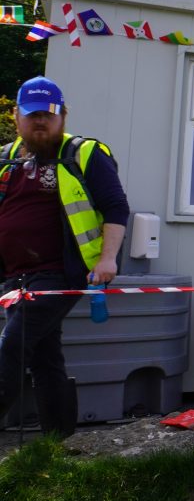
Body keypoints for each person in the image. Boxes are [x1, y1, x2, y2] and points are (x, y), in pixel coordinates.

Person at [0, 77, 129, 437]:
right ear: (17, 116)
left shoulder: (84, 153)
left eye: (49, 114)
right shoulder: (6, 158)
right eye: (32, 115)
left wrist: (108, 259)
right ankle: (57, 444)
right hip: (14, 276)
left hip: (60, 274)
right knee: (45, 356)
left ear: (63, 116)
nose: (41, 121)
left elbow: (116, 208)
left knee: (12, 345)